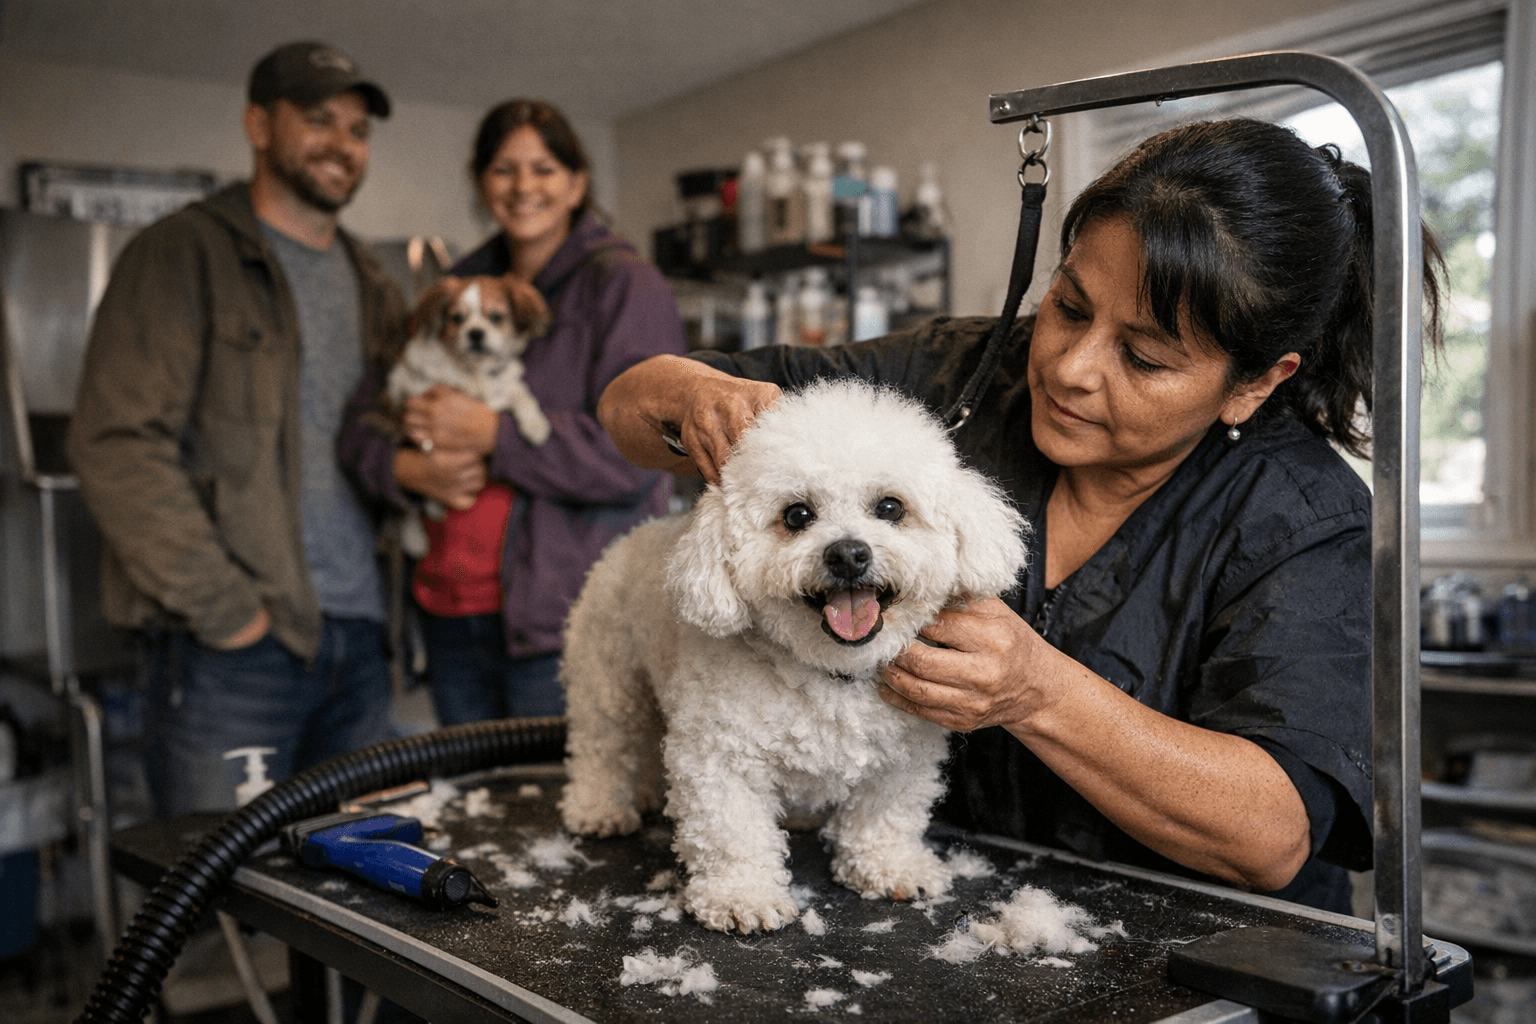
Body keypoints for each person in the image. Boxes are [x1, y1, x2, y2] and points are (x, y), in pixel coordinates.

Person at [596, 118, 1446, 913]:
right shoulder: (957, 369)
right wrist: (693, 394)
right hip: (957, 909)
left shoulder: (1305, 519)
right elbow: (631, 408)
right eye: (1069, 307)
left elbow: (1270, 837)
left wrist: (1038, 693)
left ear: (1256, 382)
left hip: (1205, 953)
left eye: (1144, 356)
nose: (1072, 367)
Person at [67, 41, 407, 815]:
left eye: (358, 130)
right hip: (234, 650)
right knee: (217, 901)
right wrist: (229, 614)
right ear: (258, 123)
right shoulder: (180, 254)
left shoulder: (377, 283)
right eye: (319, 120)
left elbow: (386, 449)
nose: (343, 145)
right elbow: (117, 444)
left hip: (359, 639)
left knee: (356, 901)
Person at [339, 99, 687, 726]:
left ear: (577, 183)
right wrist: (402, 470)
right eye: (504, 169)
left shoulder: (625, 288)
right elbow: (362, 422)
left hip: (565, 620)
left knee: (574, 809)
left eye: (545, 168)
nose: (524, 186)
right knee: (476, 807)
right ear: (481, 182)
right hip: (448, 608)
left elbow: (641, 455)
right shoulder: (453, 290)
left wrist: (496, 434)